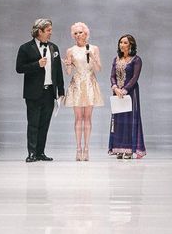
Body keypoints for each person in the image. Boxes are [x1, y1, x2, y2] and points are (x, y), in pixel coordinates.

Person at [15, 18, 65, 162]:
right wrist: (37, 64)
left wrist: (60, 91)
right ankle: (31, 153)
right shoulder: (25, 48)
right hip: (33, 92)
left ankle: (40, 152)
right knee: (33, 123)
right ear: (39, 31)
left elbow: (58, 71)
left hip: (49, 92)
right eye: (48, 30)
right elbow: (19, 68)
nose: (51, 33)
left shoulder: (54, 48)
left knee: (45, 123)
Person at [63, 22, 104, 161]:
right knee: (78, 118)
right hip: (77, 84)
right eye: (75, 33)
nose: (78, 35)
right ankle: (78, 148)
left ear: (86, 33)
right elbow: (69, 72)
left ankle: (86, 148)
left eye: (80, 32)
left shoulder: (94, 48)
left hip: (89, 83)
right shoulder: (70, 50)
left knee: (88, 117)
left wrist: (92, 57)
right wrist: (68, 65)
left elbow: (99, 69)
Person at [108, 34, 145, 159]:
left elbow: (135, 78)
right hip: (117, 92)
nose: (121, 45)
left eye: (124, 42)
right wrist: (115, 88)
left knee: (130, 119)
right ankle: (118, 147)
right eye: (120, 42)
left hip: (130, 93)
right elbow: (112, 76)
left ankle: (129, 149)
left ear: (131, 45)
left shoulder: (136, 60)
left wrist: (124, 90)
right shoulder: (116, 59)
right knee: (118, 119)